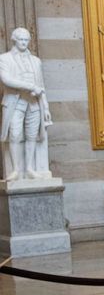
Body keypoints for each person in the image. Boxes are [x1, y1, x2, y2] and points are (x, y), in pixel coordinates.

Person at [1, 28, 53, 181]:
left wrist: (46, 107)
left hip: (34, 103)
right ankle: (16, 170)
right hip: (15, 103)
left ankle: (30, 168)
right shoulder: (4, 58)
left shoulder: (36, 61)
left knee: (32, 136)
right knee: (15, 135)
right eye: (21, 40)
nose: (24, 43)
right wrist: (30, 87)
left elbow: (41, 85)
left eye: (26, 40)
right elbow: (6, 80)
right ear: (14, 40)